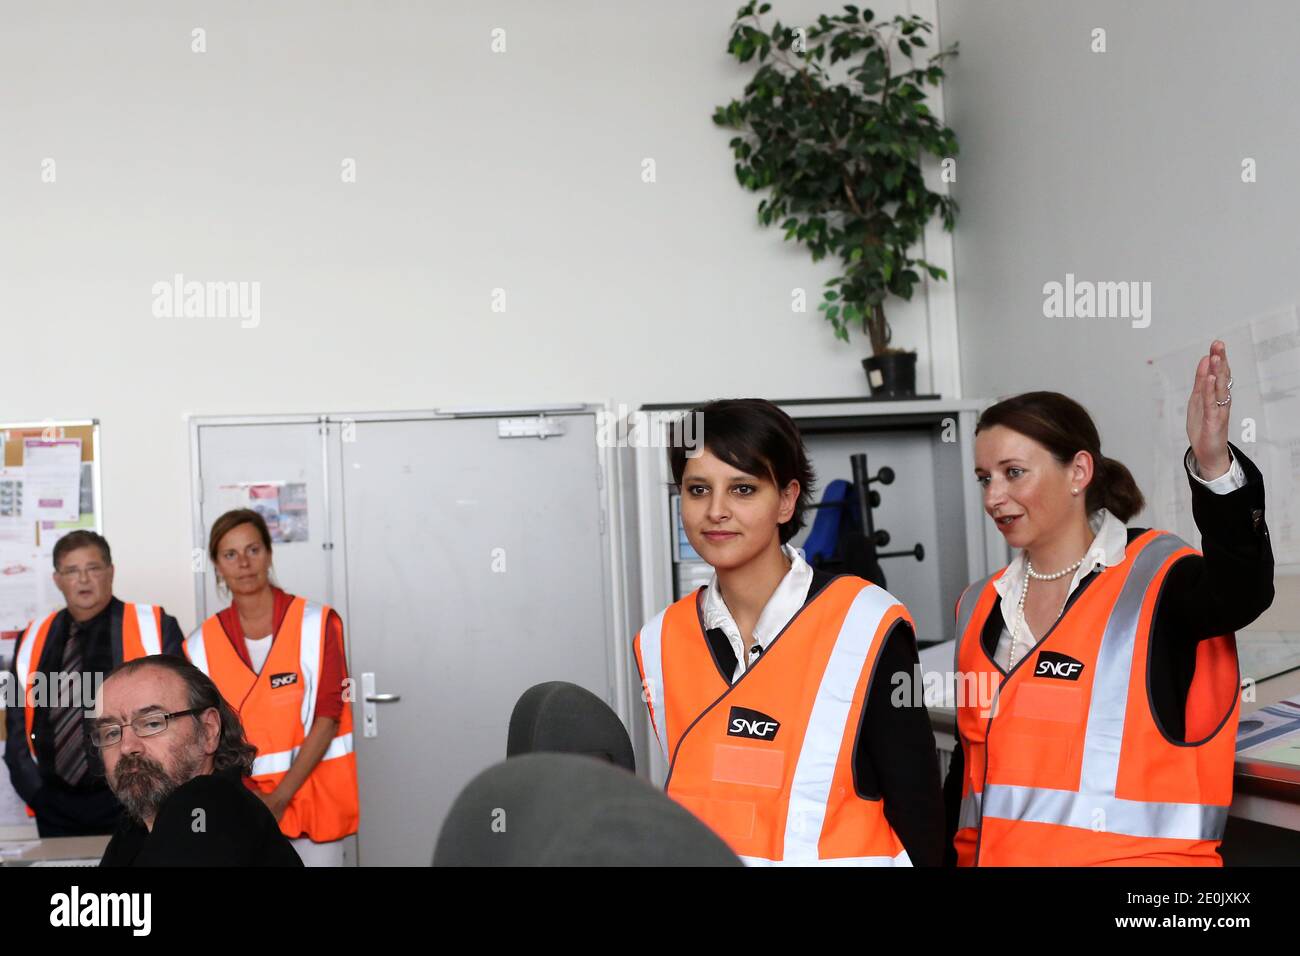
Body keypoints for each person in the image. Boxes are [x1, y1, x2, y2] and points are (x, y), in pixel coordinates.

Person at [946, 340, 1274, 866]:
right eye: (985, 478)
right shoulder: (979, 606)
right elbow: (968, 777)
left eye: (1013, 473)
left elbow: (1244, 589)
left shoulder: (1162, 578)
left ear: (1078, 472)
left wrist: (1213, 465)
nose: (992, 497)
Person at [633, 398, 943, 866]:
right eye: (697, 490)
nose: (715, 511)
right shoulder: (659, 640)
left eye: (742, 489)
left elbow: (920, 814)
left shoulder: (867, 622)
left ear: (786, 500)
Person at [184, 509, 357, 866]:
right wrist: (251, 805)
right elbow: (203, 737)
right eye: (230, 555)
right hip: (241, 813)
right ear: (216, 564)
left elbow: (328, 717)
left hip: (314, 808)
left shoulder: (317, 623)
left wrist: (278, 799)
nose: (244, 564)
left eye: (253, 550)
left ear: (268, 554)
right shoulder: (199, 645)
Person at [3, 530, 184, 836]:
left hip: (135, 802)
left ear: (111, 572)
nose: (83, 580)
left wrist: (152, 792)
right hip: (54, 807)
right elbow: (17, 725)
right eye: (72, 571)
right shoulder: (31, 637)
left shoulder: (154, 625)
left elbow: (181, 716)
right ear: (57, 579)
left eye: (93, 568)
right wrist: (37, 794)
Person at [96, 655, 303, 866]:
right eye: (110, 733)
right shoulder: (132, 830)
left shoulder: (207, 801)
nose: (127, 747)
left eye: (152, 723)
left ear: (208, 730)